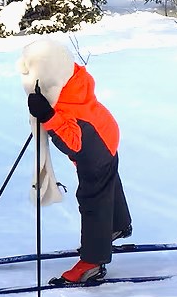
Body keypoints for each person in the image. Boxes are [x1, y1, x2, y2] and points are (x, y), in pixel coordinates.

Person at [18, 37, 132, 284]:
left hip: (94, 144)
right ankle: (116, 225)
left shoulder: (63, 101)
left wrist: (47, 115)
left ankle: (93, 261)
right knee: (107, 180)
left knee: (93, 197)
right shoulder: (71, 77)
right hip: (106, 131)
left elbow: (73, 143)